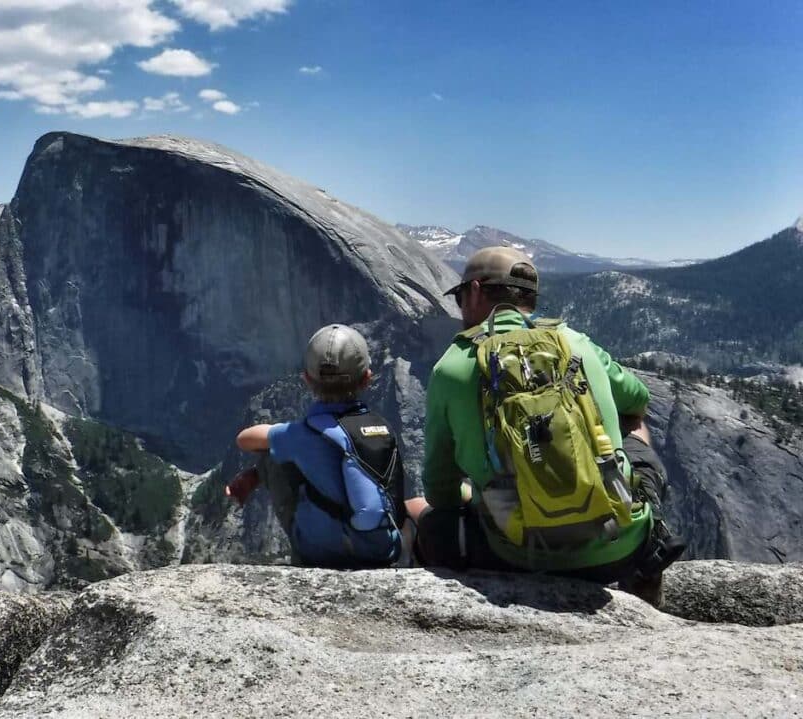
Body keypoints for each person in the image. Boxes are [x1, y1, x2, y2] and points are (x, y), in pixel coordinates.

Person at [419, 246, 684, 603]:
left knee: (433, 524)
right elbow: (638, 399)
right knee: (633, 424)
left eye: (461, 296)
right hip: (615, 552)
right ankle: (647, 547)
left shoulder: (451, 368)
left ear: (477, 290)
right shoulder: (576, 343)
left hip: (514, 554)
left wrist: (478, 492)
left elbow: (440, 492)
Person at [227, 324, 428, 568]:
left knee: (272, 455)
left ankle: (302, 560)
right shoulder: (382, 427)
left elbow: (245, 439)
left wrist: (276, 439)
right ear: (367, 379)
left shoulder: (301, 433)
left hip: (324, 553)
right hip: (384, 550)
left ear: (307, 380)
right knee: (418, 504)